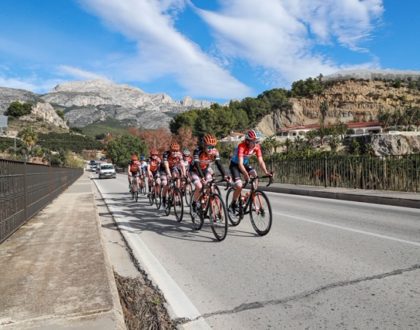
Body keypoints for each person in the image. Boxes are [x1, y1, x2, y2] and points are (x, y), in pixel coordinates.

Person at [228, 129, 272, 213]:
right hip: (235, 165)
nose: (256, 144)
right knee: (239, 185)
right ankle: (233, 204)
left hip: (245, 164)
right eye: (254, 141)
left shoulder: (257, 147)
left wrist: (266, 172)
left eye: (257, 141)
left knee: (255, 175)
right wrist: (245, 175)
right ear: (248, 141)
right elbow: (240, 164)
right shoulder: (242, 146)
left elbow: (261, 161)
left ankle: (250, 195)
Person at [190, 133, 230, 213]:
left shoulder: (215, 152)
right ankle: (194, 203)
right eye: (208, 147)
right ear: (204, 145)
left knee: (211, 186)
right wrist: (202, 177)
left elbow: (219, 164)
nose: (210, 149)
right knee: (199, 186)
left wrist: (224, 175)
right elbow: (197, 165)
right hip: (194, 170)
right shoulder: (197, 151)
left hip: (205, 170)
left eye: (212, 147)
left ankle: (207, 203)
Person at [160, 142, 183, 207]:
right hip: (164, 169)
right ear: (170, 150)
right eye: (173, 151)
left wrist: (183, 174)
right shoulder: (166, 154)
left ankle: (175, 194)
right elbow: (166, 166)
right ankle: (164, 200)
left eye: (176, 151)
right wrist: (169, 175)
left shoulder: (179, 154)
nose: (175, 153)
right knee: (165, 184)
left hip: (173, 168)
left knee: (177, 178)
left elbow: (182, 165)